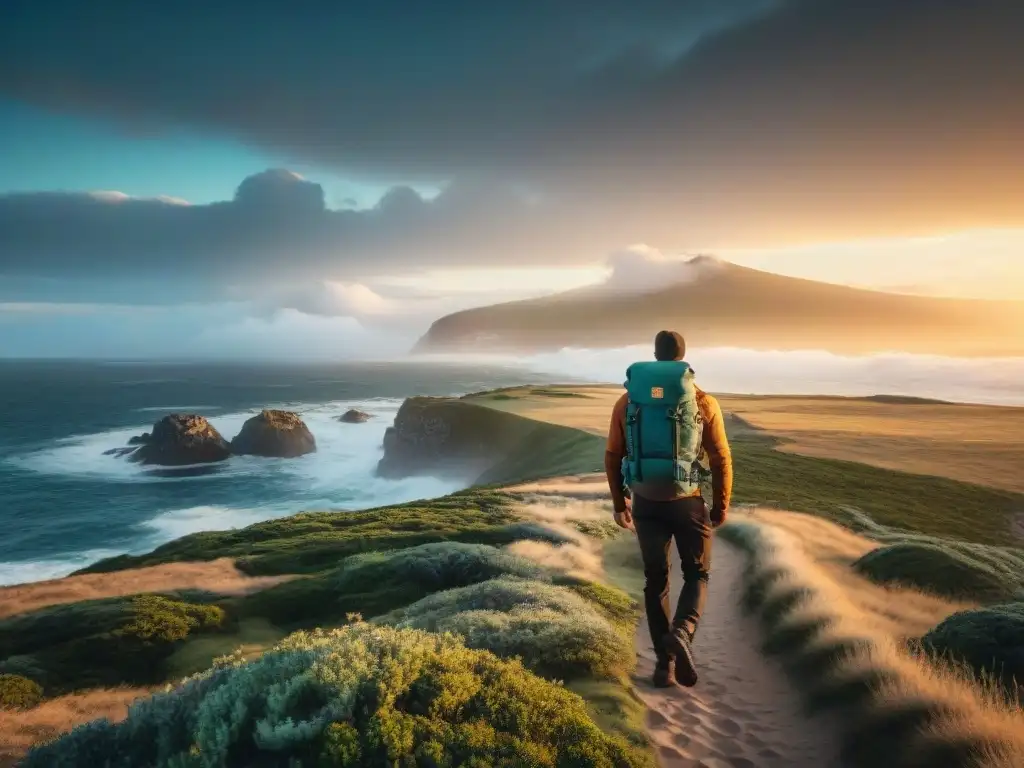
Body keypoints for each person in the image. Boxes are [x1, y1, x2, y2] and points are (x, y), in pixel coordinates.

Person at [605, 330, 733, 688]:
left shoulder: (628, 401)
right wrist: (720, 506)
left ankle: (664, 666)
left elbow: (613, 455)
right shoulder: (702, 401)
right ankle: (683, 631)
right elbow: (721, 458)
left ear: (655, 355)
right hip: (688, 501)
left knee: (656, 580)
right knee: (697, 575)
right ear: (682, 357)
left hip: (645, 501)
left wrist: (620, 504)